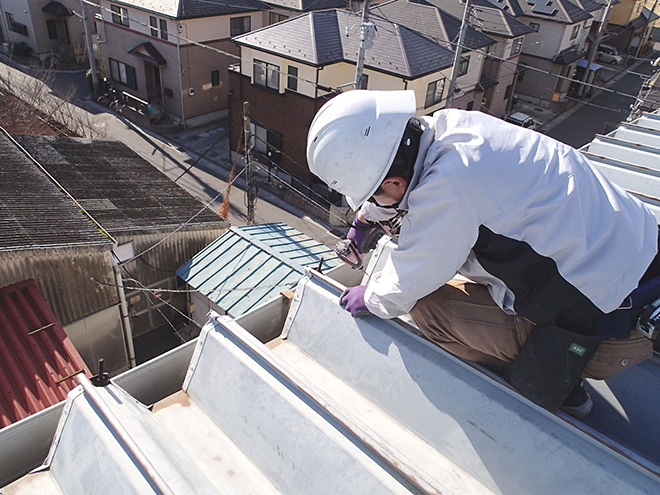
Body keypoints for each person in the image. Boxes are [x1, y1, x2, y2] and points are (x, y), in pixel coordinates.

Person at [306, 90, 657, 418]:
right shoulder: (451, 127)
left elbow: (412, 275)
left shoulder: (445, 191)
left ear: (393, 183)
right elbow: (402, 183)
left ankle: (564, 386)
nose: (373, 202)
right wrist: (366, 218)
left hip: (610, 321)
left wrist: (371, 297)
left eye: (374, 195)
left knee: (429, 309)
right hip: (641, 253)